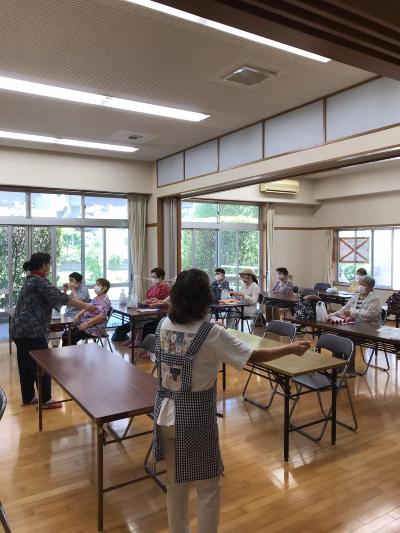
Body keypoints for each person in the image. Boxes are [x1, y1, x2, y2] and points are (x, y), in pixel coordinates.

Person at [152, 268, 310, 533]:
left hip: (165, 410)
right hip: (195, 415)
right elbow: (252, 356)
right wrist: (290, 348)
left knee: (176, 481)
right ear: (204, 298)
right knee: (208, 485)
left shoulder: (163, 325)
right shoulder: (210, 333)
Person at [11, 252, 96, 408]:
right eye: (49, 264)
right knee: (43, 364)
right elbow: (63, 298)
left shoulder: (30, 280)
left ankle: (28, 398)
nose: (49, 267)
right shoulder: (39, 282)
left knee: (26, 364)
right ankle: (45, 400)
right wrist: (86, 306)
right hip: (32, 331)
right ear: (44, 265)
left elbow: (54, 297)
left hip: (19, 330)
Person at [113, 267, 170, 345]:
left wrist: (150, 303)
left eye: (154, 277)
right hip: (148, 309)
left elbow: (162, 303)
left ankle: (138, 340)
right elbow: (147, 299)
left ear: (160, 277)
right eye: (152, 277)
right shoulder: (153, 287)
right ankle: (132, 338)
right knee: (135, 317)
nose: (152, 279)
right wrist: (142, 303)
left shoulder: (165, 287)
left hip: (158, 312)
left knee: (139, 318)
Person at [62, 278, 111, 346]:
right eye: (96, 284)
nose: (96, 286)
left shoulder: (104, 300)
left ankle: (72, 355)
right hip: (85, 324)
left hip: (94, 328)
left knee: (71, 337)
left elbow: (102, 316)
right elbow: (87, 307)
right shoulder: (96, 298)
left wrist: (87, 324)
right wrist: (78, 315)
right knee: (65, 335)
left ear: (104, 288)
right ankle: (67, 355)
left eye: (98, 285)